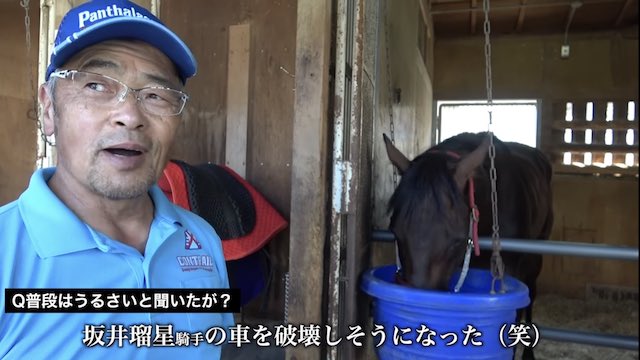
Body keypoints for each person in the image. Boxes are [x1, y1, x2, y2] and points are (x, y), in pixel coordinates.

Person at [0, 0, 234, 358]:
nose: (129, 116)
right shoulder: (6, 252)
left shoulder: (201, 239)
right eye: (96, 86)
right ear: (49, 110)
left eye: (155, 95)